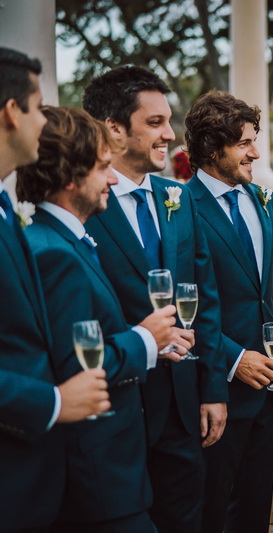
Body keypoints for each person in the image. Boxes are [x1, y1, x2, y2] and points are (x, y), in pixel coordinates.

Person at [17, 105, 178, 532]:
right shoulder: (54, 253)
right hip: (98, 475)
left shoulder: (61, 240)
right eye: (104, 167)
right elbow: (77, 371)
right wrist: (145, 340)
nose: (112, 179)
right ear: (70, 178)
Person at [83, 66, 229, 532]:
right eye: (154, 123)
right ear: (113, 128)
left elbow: (203, 295)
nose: (170, 134)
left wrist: (211, 389)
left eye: (169, 120)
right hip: (114, 407)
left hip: (184, 406)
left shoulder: (176, 197)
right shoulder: (82, 204)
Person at [0, 46, 110, 531]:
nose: (44, 123)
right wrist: (55, 402)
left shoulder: (6, 212)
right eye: (38, 107)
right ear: (10, 112)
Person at [184, 90, 273, 532]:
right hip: (214, 384)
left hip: (268, 383)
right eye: (244, 143)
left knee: (255, 508)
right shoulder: (179, 208)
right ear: (213, 148)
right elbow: (182, 306)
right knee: (213, 508)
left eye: (255, 140)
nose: (255, 152)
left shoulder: (263, 201)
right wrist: (233, 358)